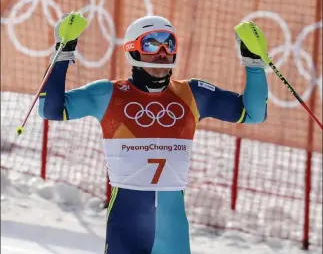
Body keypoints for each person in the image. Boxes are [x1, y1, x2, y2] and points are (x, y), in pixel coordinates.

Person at [38, 14, 268, 254]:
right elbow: (51, 109)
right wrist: (63, 52)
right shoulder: (108, 93)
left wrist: (253, 62)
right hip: (126, 231)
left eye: (169, 43)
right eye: (151, 43)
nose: (162, 51)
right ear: (133, 50)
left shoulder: (193, 94)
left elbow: (254, 113)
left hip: (172, 236)